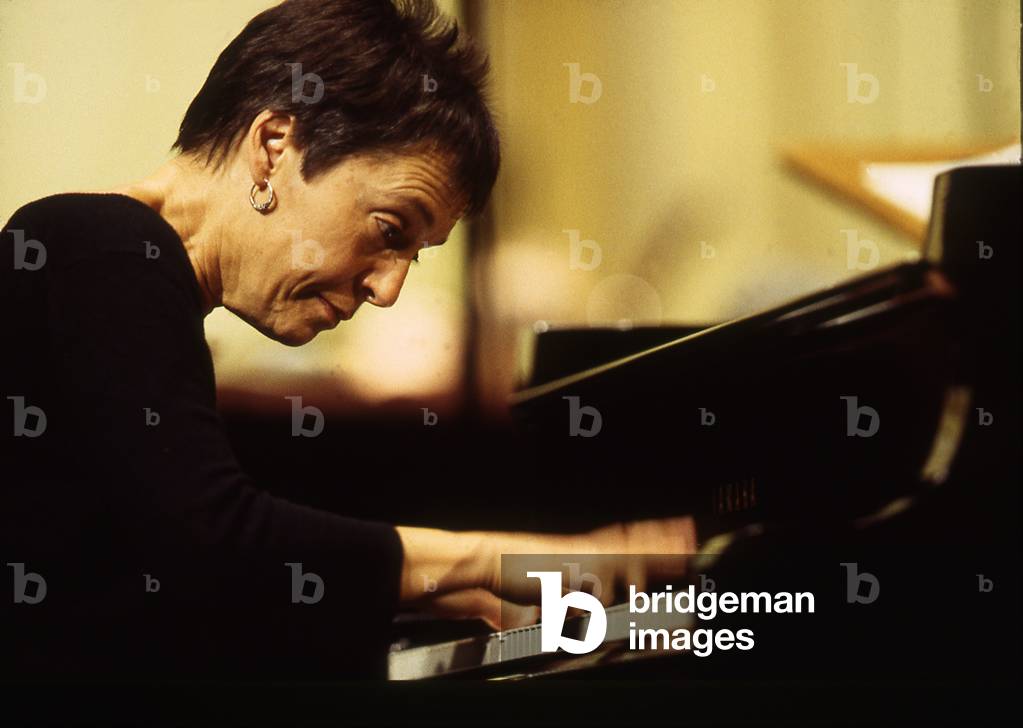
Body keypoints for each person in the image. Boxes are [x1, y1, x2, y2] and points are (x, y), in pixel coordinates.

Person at [0, 0, 695, 679]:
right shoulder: (98, 247)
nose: (387, 290)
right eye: (391, 230)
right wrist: (499, 560)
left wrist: (442, 590)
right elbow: (209, 540)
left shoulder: (114, 264)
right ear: (274, 145)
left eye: (413, 255)